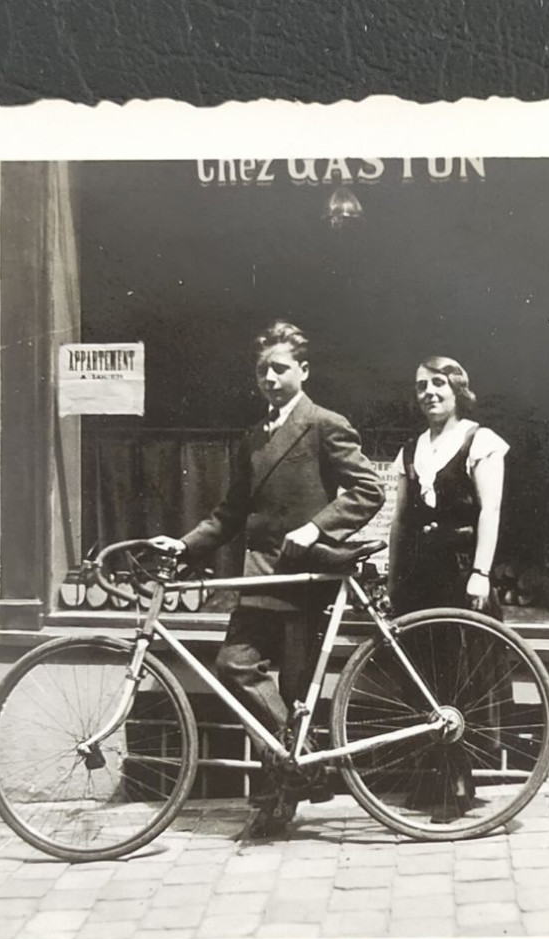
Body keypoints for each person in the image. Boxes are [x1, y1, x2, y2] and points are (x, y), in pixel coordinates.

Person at [150, 321, 385, 835]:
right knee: (236, 666)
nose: (270, 378)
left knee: (298, 690)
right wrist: (185, 544)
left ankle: (278, 802)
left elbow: (368, 490)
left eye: (280, 368)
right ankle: (307, 765)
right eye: (262, 370)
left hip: (306, 576)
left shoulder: (324, 423)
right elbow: (230, 513)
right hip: (261, 577)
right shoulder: (253, 437)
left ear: (303, 370)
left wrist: (316, 527)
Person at [386, 355, 510, 820]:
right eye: (420, 385)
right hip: (419, 578)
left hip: (460, 574)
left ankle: (459, 781)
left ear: (458, 389)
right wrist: (393, 578)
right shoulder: (411, 449)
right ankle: (429, 774)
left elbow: (489, 512)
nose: (429, 392)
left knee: (461, 676)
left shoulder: (481, 442)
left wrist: (481, 572)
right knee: (423, 674)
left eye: (438, 383)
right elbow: (399, 522)